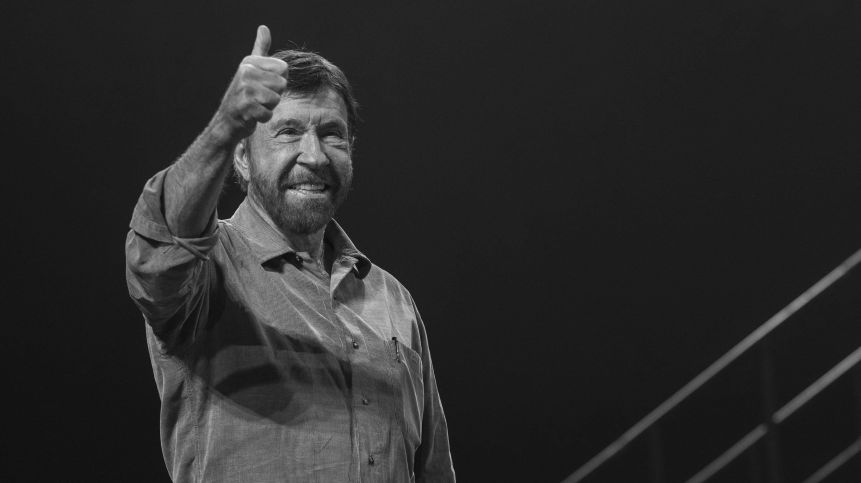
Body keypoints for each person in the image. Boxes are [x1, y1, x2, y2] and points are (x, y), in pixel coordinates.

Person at [125, 25, 455, 482]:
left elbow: (433, 471)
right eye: (288, 132)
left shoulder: (394, 301)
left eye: (332, 134)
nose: (314, 156)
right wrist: (225, 126)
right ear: (243, 157)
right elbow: (158, 248)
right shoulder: (209, 269)